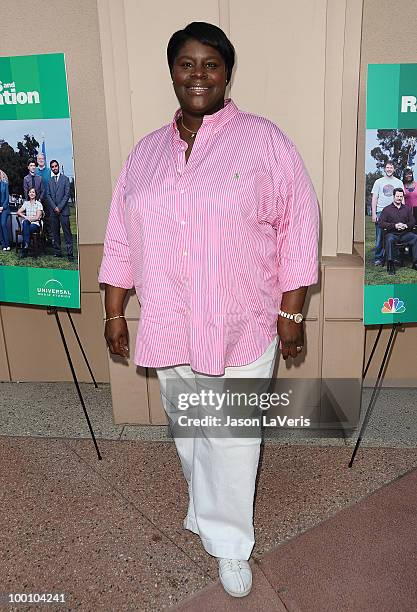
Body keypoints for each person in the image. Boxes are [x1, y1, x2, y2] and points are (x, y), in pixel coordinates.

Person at [99, 22, 319, 598]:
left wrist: (291, 316)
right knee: (192, 425)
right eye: (186, 64)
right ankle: (205, 505)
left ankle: (230, 543)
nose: (197, 75)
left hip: (242, 321)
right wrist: (114, 309)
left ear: (227, 72)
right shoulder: (146, 151)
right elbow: (122, 232)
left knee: (233, 434)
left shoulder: (264, 141)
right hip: (169, 317)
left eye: (210, 65)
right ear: (172, 72)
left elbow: (298, 224)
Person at [378, 187, 417, 275]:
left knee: (415, 237)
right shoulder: (387, 209)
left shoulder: (406, 209)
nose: (399, 198)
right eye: (397, 196)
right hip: (392, 234)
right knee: (389, 239)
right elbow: (381, 223)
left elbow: (413, 221)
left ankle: (415, 263)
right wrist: (394, 225)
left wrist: (405, 225)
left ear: (403, 197)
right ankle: (391, 264)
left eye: (401, 196)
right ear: (393, 196)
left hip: (404, 234)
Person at [371, 160, 403, 265]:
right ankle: (378, 258)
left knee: (395, 235)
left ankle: (395, 257)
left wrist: (403, 212)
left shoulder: (399, 182)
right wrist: (374, 213)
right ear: (385, 168)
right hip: (381, 212)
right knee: (379, 237)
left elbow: (402, 199)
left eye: (391, 167)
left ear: (394, 169)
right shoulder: (378, 182)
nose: (389, 169)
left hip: (395, 212)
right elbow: (374, 198)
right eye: (387, 167)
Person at [46, 160, 73, 261]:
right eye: (52, 167)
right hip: (53, 212)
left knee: (67, 233)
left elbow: (67, 195)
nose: (54, 168)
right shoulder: (49, 181)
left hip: (64, 211)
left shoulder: (65, 179)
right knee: (55, 232)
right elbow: (48, 195)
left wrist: (59, 207)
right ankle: (57, 252)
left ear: (58, 166)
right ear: (51, 168)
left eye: (55, 166)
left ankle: (70, 253)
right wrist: (54, 207)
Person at [16, 187, 43, 258]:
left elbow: (37, 217)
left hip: (35, 225)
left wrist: (29, 219)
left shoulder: (38, 204)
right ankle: (26, 246)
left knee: (26, 227)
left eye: (33, 192)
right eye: (30, 192)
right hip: (27, 223)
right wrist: (25, 217)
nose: (32, 193)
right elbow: (18, 212)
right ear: (28, 194)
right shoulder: (26, 203)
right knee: (25, 223)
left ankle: (24, 248)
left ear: (35, 194)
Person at [36, 152, 52, 243]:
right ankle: (40, 239)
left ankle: (50, 238)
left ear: (44, 160)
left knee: (48, 219)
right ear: (37, 160)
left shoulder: (49, 171)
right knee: (38, 218)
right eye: (39, 159)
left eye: (42, 158)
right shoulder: (35, 171)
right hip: (37, 200)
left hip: (47, 199)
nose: (41, 160)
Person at [0, 169, 10, 251]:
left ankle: (7, 244)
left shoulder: (5, 184)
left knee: (3, 224)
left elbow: (7, 197)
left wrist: (2, 207)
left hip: (5, 208)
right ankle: (3, 245)